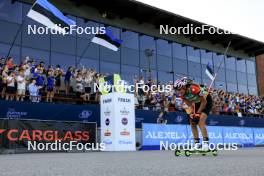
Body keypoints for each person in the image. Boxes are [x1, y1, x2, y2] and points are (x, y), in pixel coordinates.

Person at [174, 77, 213, 151]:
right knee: (192, 122)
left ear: (184, 87)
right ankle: (197, 144)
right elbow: (190, 104)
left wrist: (198, 113)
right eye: (177, 90)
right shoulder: (182, 95)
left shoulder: (194, 88)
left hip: (206, 102)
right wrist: (192, 113)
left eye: (179, 89)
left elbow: (204, 102)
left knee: (201, 121)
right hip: (197, 103)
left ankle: (206, 144)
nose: (178, 92)